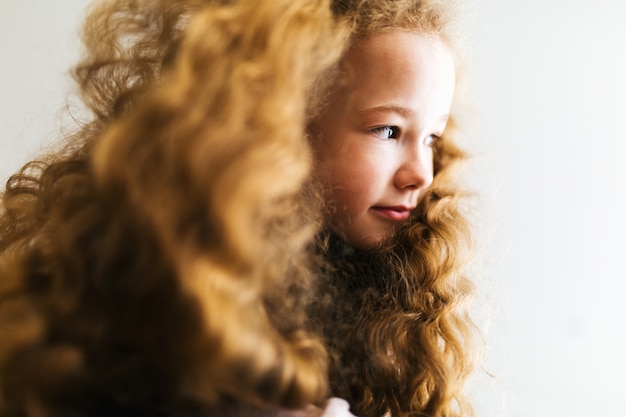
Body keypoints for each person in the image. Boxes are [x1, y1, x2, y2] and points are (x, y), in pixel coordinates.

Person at [0, 0, 479, 416]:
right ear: (282, 125)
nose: (421, 174)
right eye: (388, 131)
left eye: (431, 138)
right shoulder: (173, 300)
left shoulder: (381, 300)